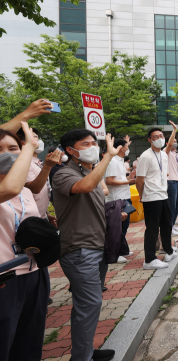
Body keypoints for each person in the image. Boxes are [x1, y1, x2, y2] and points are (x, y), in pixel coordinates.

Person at [53, 129, 121, 361]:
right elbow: (84, 187)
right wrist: (108, 157)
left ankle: (85, 352)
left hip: (96, 247)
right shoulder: (64, 174)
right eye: (86, 144)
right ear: (70, 150)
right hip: (79, 250)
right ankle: (81, 357)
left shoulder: (88, 171)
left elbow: (95, 193)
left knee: (87, 305)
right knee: (89, 304)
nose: (93, 147)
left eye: (94, 143)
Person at [0, 123, 52, 361]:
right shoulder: (10, 187)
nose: (7, 154)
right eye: (0, 149)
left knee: (29, 343)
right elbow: (9, 188)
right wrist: (30, 145)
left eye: (13, 148)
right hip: (5, 278)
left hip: (34, 270)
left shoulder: (25, 189)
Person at [135, 123, 178, 270]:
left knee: (166, 225)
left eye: (161, 136)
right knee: (152, 228)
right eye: (156, 137)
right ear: (150, 140)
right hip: (151, 197)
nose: (159, 139)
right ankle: (149, 259)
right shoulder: (145, 156)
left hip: (163, 194)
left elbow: (170, 143)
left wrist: (174, 131)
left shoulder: (163, 154)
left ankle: (168, 251)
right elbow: (139, 180)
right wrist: (142, 195)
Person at [16, 127, 62, 220]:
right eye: (35, 137)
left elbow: (40, 195)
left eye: (37, 137)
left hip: (40, 216)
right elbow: (34, 189)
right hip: (30, 219)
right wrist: (48, 166)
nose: (39, 140)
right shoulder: (24, 162)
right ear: (22, 142)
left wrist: (45, 213)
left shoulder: (37, 162)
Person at [104, 137, 136, 263]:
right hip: (117, 198)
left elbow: (120, 177)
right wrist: (127, 181)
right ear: (121, 148)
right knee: (118, 227)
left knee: (125, 225)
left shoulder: (120, 161)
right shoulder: (112, 161)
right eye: (127, 146)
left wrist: (129, 177)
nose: (128, 149)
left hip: (125, 196)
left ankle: (122, 250)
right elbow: (109, 181)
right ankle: (115, 253)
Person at [167, 138, 178, 237]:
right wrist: (174, 130)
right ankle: (169, 227)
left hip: (177, 181)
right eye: (174, 141)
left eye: (176, 141)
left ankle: (172, 225)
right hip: (171, 181)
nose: (175, 142)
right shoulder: (167, 152)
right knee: (172, 207)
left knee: (177, 207)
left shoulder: (175, 154)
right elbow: (169, 145)